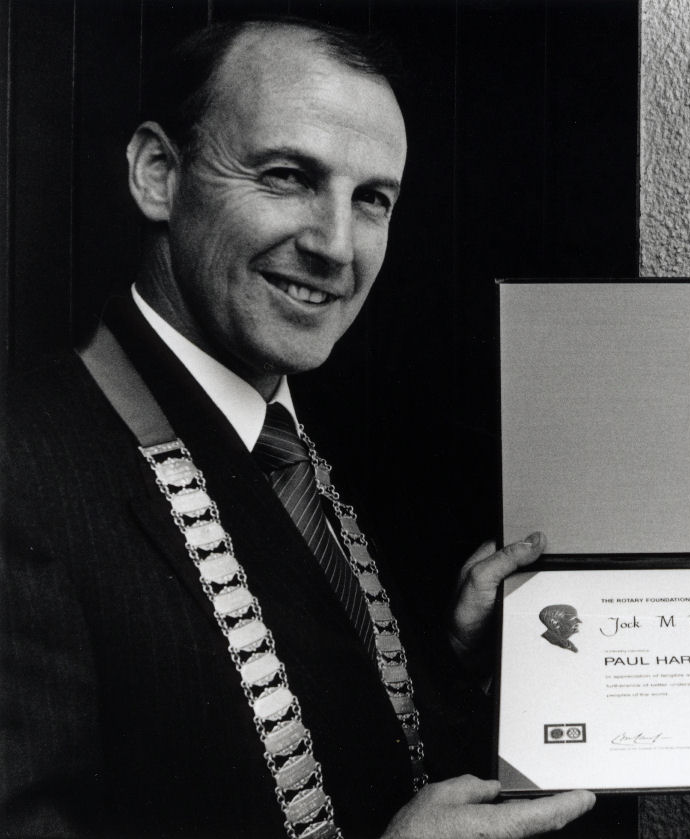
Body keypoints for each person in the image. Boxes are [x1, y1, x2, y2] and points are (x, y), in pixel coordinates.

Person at [0, 18, 594, 839]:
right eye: (287, 176)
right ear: (157, 174)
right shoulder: (20, 469)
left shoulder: (334, 440)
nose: (336, 246)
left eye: (372, 200)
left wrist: (455, 668)